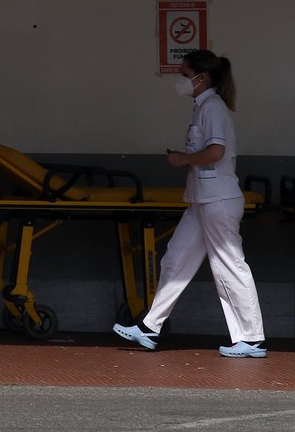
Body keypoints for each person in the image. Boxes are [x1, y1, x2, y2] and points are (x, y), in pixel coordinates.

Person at [112, 49, 267, 358]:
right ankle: (149, 327)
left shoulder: (212, 107)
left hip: (218, 201)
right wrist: (186, 161)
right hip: (201, 201)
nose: (180, 80)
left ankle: (252, 339)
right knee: (175, 260)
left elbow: (215, 152)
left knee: (229, 266)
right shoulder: (203, 107)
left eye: (184, 74)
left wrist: (183, 159)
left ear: (202, 77)